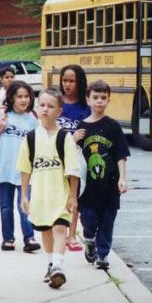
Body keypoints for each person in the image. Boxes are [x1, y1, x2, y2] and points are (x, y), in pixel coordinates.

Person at [18, 88, 80, 289]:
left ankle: (58, 266)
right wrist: (24, 195)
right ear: (37, 109)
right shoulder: (30, 138)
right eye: (42, 105)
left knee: (60, 229)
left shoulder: (65, 138)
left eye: (51, 106)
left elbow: (73, 170)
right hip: (40, 196)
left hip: (60, 195)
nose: (46, 109)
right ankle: (51, 264)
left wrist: (73, 197)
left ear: (59, 111)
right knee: (45, 231)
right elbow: (25, 169)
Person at [76, 80, 130, 270]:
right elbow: (73, 157)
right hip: (88, 187)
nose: (99, 101)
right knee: (89, 219)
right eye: (95, 98)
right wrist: (73, 140)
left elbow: (121, 154)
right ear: (88, 100)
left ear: (108, 100)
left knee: (107, 221)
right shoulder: (81, 127)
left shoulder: (113, 126)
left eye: (103, 98)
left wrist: (122, 178)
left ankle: (103, 255)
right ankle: (89, 239)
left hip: (110, 183)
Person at [0, 81, 40, 252]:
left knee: (24, 204)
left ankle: (29, 237)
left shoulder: (33, 119)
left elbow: (37, 145)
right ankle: (8, 239)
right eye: (19, 96)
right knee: (6, 206)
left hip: (24, 170)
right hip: (4, 167)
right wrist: (2, 125)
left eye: (26, 96)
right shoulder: (2, 115)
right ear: (11, 98)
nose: (23, 100)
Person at [57, 64, 90, 252]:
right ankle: (60, 230)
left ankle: (72, 234)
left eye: (72, 81)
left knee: (74, 196)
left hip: (77, 158)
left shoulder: (85, 107)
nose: (67, 84)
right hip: (57, 156)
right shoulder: (57, 102)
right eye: (64, 80)